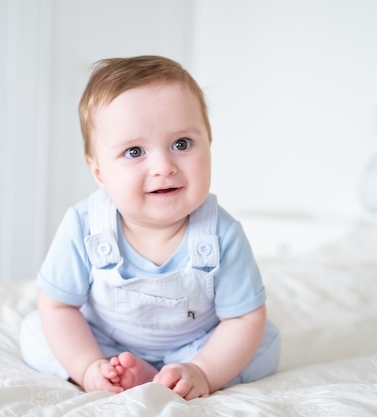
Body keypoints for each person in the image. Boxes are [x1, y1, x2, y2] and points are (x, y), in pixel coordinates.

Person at [20, 55, 280, 400]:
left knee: (264, 342)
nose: (163, 166)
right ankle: (112, 374)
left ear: (209, 145)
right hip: (104, 342)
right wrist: (87, 365)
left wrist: (203, 370)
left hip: (194, 346)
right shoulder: (85, 226)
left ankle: (174, 375)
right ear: (99, 172)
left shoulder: (221, 233)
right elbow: (58, 306)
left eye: (181, 144)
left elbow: (243, 319)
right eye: (134, 151)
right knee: (36, 331)